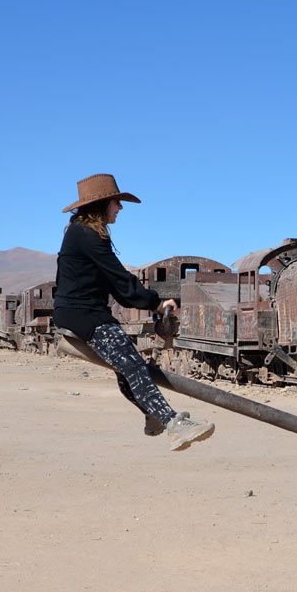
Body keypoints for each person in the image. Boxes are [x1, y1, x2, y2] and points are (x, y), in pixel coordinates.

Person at [53, 173, 214, 451]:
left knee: (125, 366)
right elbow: (120, 280)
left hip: (80, 311)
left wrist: (149, 302)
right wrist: (157, 303)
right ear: (102, 204)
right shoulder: (88, 235)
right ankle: (172, 423)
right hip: (83, 314)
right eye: (116, 202)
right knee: (132, 365)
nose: (120, 208)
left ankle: (153, 416)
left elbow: (116, 288)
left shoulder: (82, 233)